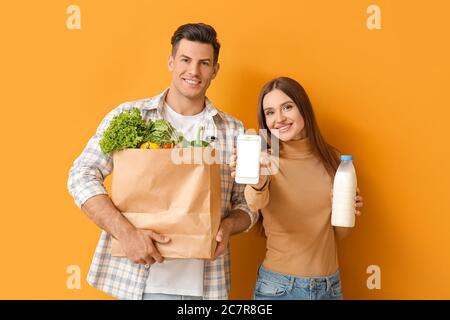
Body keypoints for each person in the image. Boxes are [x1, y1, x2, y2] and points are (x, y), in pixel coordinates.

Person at [67, 23, 257, 300]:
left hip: (206, 287)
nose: (193, 71)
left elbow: (248, 204)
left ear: (215, 70)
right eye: (185, 60)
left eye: (204, 63)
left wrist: (228, 227)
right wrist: (126, 234)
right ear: (171, 61)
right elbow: (81, 175)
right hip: (137, 282)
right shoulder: (132, 116)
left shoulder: (233, 130)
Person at [229, 77, 364, 300]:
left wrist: (347, 210)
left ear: (303, 109)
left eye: (287, 107)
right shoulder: (266, 161)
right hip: (279, 289)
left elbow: (341, 233)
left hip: (330, 288)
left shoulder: (337, 163)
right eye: (270, 112)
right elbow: (255, 202)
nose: (279, 119)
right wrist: (258, 178)